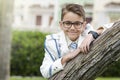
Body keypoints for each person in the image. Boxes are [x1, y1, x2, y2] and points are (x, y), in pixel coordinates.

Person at [40, 3, 104, 78]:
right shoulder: (52, 41)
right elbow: (45, 71)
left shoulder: (87, 33)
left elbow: (113, 28)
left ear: (84, 25)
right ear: (61, 25)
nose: (72, 28)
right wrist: (64, 59)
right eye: (67, 23)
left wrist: (92, 34)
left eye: (77, 23)